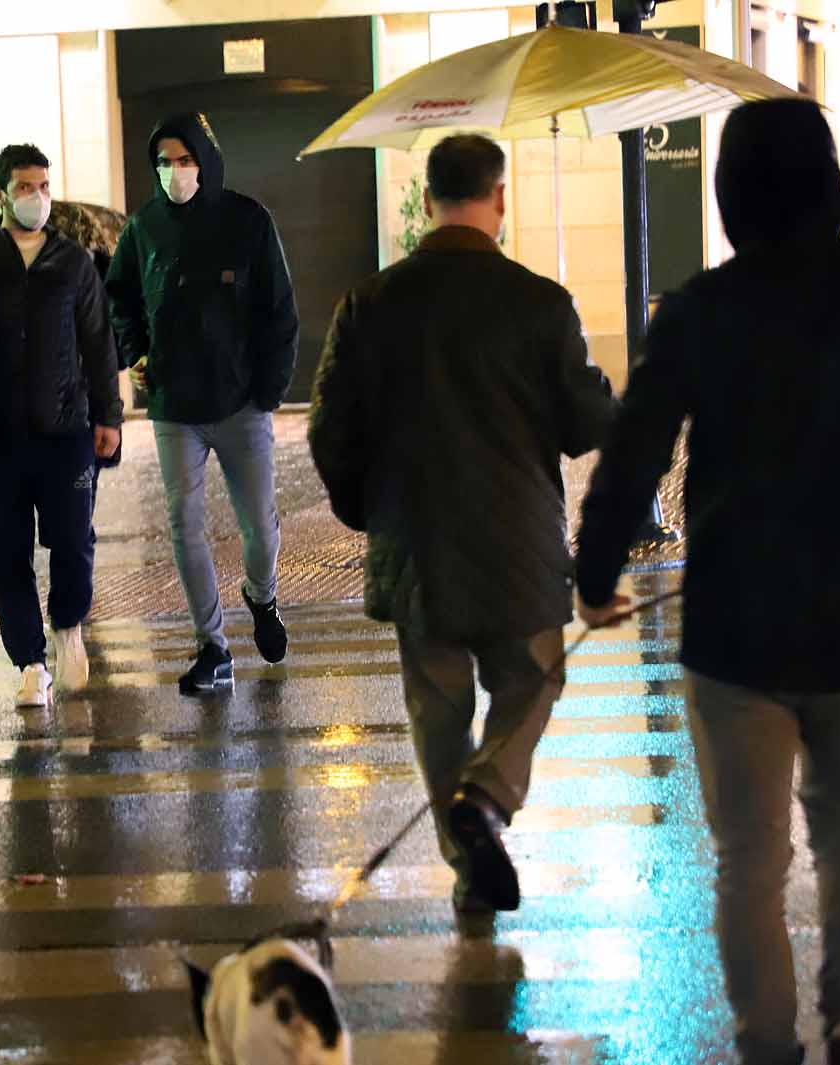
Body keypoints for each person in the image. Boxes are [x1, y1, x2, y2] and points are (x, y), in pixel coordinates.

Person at [575, 99, 840, 1065]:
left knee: (748, 861)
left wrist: (595, 572)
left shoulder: (700, 311)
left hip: (738, 627)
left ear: (730, 194)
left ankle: (767, 1043)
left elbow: (634, 451)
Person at [308, 133, 615, 918]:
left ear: (426, 200)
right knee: (533, 678)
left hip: (417, 546)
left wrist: (366, 510)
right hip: (519, 542)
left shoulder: (370, 303)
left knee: (437, 707)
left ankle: (466, 858)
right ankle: (487, 796)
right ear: (501, 198)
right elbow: (586, 425)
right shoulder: (539, 301)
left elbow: (330, 431)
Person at [106, 111, 299, 696]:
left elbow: (280, 312)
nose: (173, 172)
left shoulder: (248, 220)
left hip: (242, 404)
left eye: (184, 160)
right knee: (183, 525)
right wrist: (134, 353)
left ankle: (261, 597)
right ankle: (212, 646)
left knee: (260, 528)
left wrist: (269, 390)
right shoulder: (144, 228)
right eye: (163, 162)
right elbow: (120, 301)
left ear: (205, 161)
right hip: (175, 407)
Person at [0, 144, 123, 709]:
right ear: (0, 196)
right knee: (5, 553)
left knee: (73, 541)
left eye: (43, 186)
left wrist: (108, 415)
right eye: (24, 188)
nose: (38, 197)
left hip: (65, 430)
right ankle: (29, 661)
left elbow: (98, 342)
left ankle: (68, 629)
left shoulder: (73, 263)